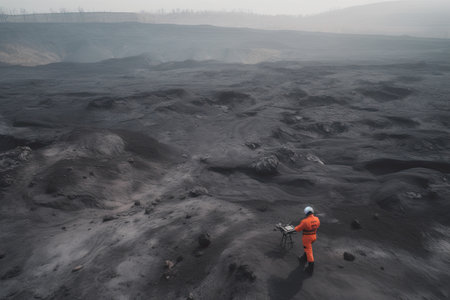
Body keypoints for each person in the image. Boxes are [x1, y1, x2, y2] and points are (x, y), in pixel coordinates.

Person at [295, 206, 320, 274]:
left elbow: (298, 229)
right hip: (314, 236)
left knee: (309, 251)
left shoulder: (305, 221)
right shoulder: (317, 219)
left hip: (307, 238)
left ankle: (310, 268)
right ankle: (304, 258)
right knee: (308, 249)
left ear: (306, 213)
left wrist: (294, 228)